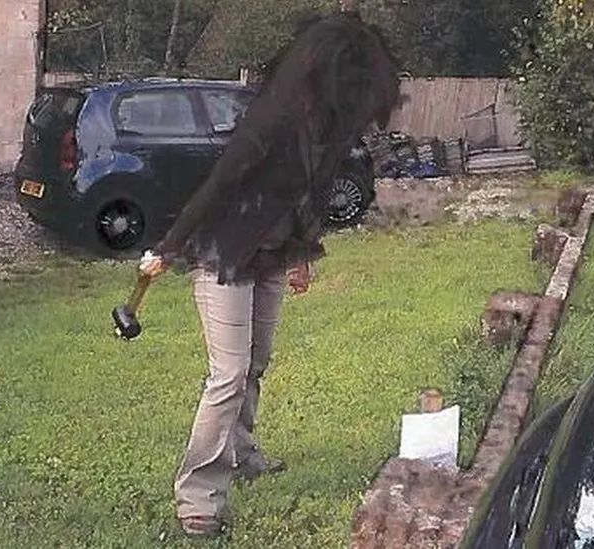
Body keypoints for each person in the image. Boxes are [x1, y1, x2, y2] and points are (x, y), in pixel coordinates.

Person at [139, 9, 400, 537]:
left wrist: (302, 255)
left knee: (256, 363)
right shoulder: (272, 121)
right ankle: (198, 497)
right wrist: (168, 248)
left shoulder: (326, 133)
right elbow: (216, 187)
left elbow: (311, 200)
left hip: (273, 257)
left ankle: (242, 452)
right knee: (229, 374)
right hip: (226, 254)